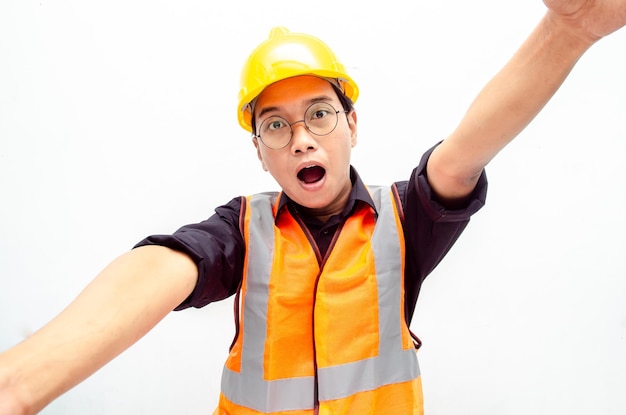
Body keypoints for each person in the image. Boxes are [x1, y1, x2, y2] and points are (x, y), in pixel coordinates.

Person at [1, 1, 625, 414]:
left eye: (320, 115)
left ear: (352, 123)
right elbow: (162, 268)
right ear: (260, 154)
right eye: (275, 126)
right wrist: (22, 383)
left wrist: (568, 32)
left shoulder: (403, 221)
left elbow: (461, 156)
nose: (301, 137)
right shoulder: (242, 231)